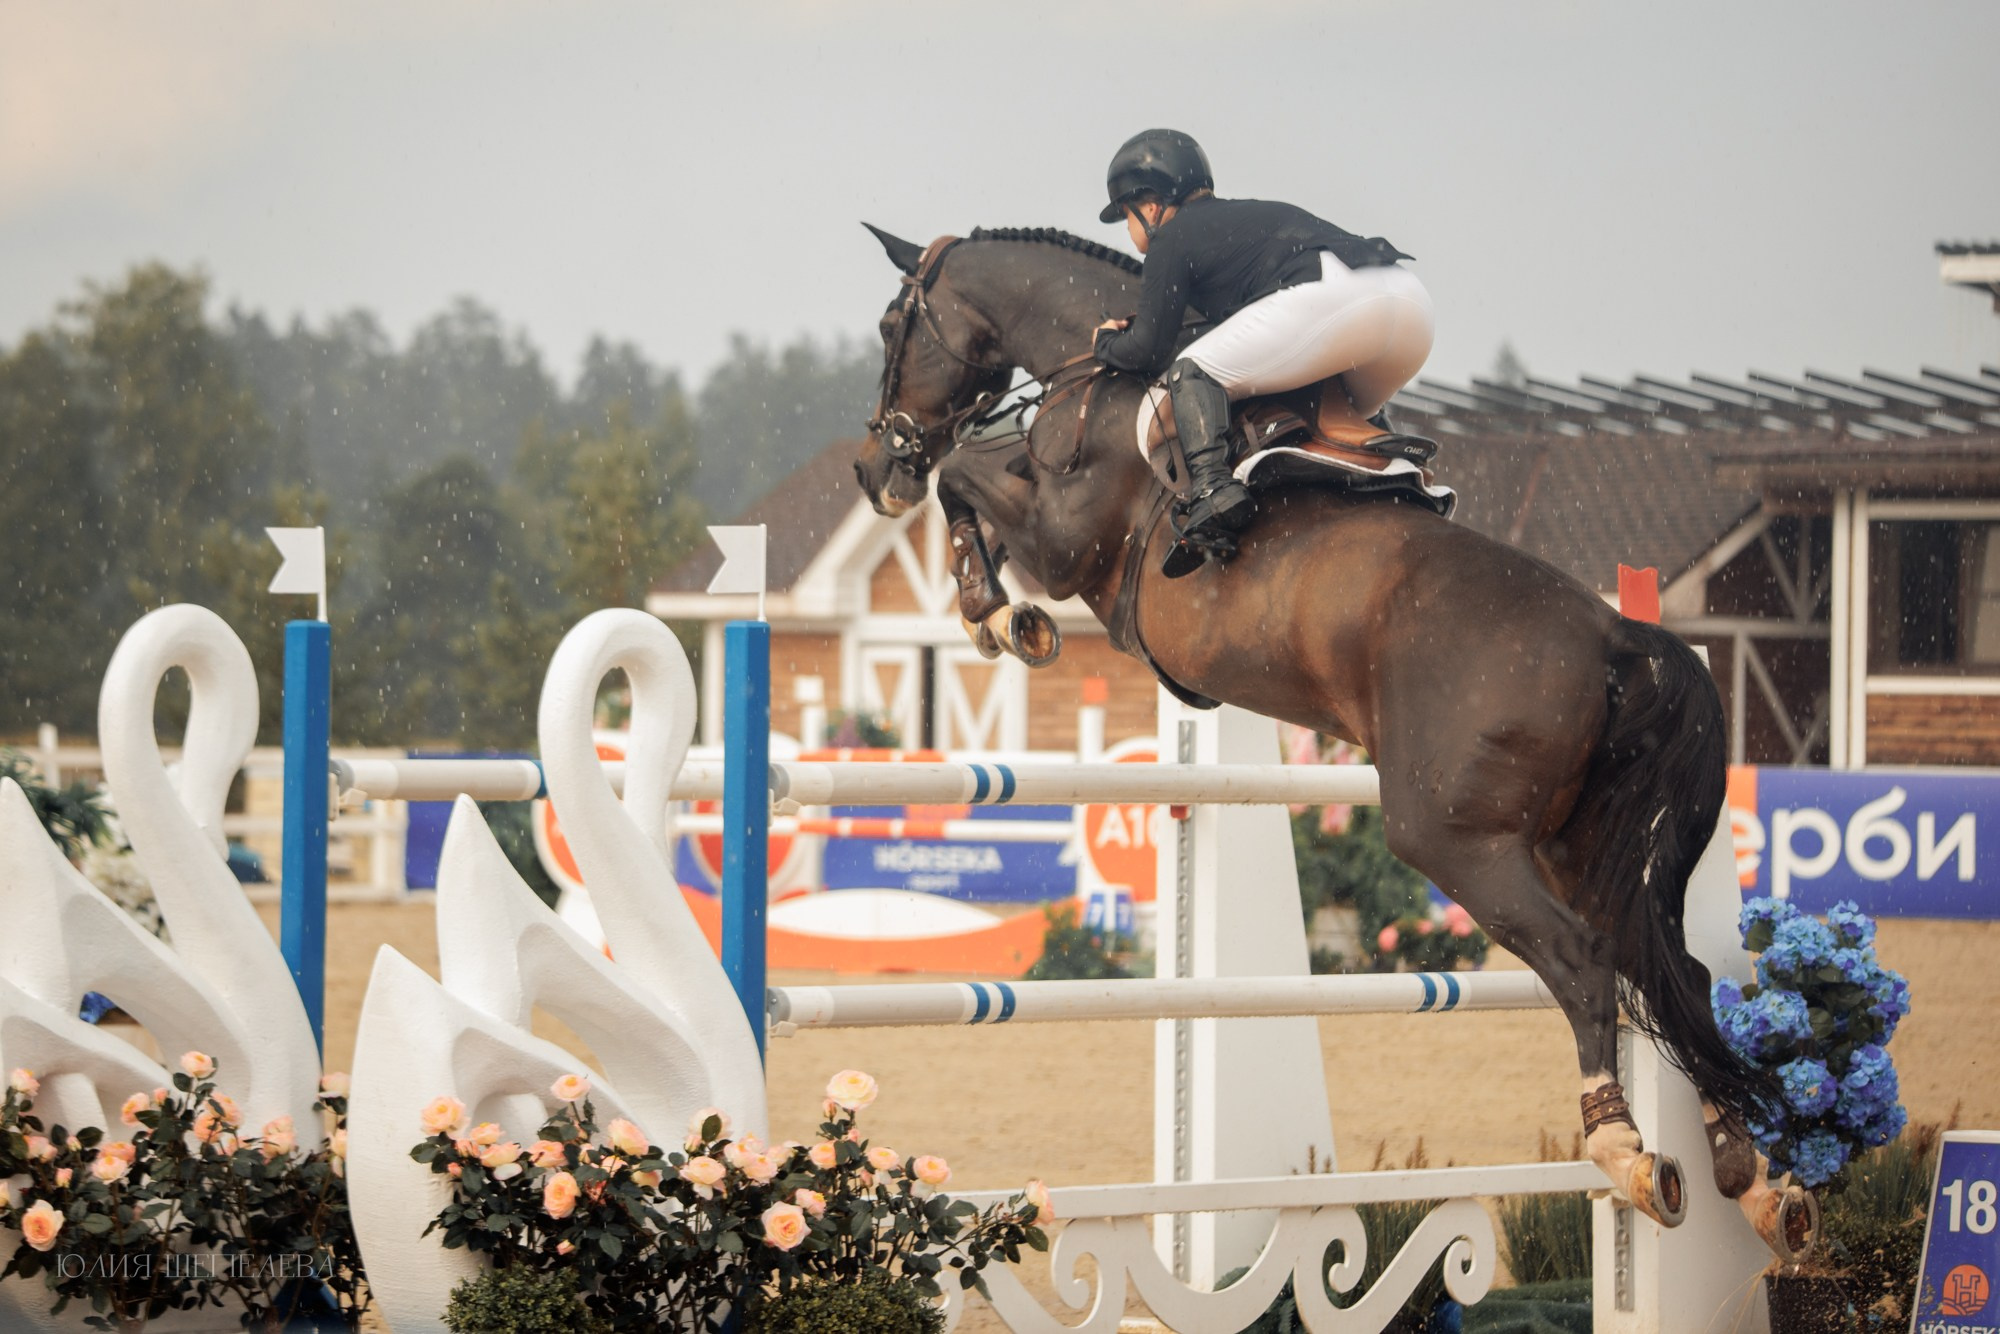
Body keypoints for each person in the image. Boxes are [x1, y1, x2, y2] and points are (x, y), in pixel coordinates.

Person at [1093, 128, 1435, 571]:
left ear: (1151, 206)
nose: (1130, 228)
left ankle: (1214, 490)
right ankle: (1397, 475)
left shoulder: (1170, 239)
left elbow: (1148, 352)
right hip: (1410, 308)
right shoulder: (1250, 215)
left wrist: (1105, 342)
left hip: (1338, 304)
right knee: (1336, 408)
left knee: (1191, 370)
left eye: (1127, 215)